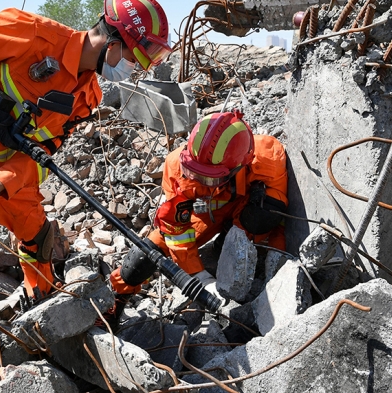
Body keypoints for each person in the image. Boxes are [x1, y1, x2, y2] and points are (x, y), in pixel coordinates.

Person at [0, 0, 171, 361]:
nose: (133, 69)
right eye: (134, 59)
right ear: (114, 44)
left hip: (8, 160)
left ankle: (39, 307)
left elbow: (41, 154)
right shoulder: (32, 34)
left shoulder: (87, 94)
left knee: (39, 240)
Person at [109, 110, 288, 304]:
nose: (201, 181)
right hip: (207, 215)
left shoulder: (268, 156)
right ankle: (117, 295)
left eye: (211, 177)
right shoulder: (176, 165)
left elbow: (276, 211)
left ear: (240, 165)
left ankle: (223, 249)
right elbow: (175, 227)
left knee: (264, 213)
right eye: (195, 172)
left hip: (242, 210)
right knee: (146, 254)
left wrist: (275, 259)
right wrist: (198, 274)